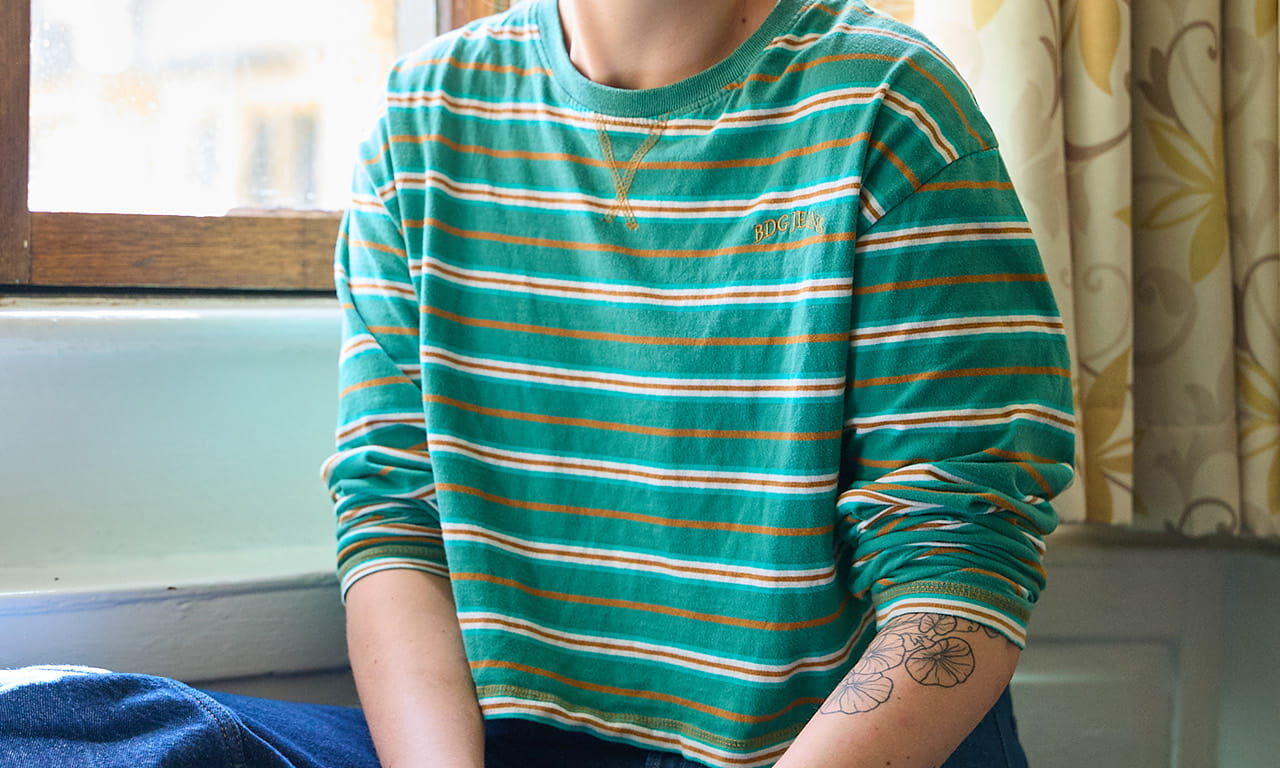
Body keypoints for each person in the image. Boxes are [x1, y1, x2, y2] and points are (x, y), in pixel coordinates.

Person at [0, 1, 1074, 767]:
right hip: (510, 744)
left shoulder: (887, 101)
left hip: (828, 741)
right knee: (55, 726)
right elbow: (394, 516)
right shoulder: (429, 115)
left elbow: (955, 573)